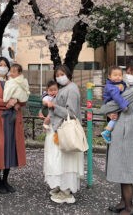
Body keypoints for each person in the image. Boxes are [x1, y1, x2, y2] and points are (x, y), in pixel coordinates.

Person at [100, 62, 133, 215]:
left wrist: (107, 111)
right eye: (128, 72)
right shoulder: (132, 88)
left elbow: (107, 107)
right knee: (123, 170)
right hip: (127, 133)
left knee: (126, 171)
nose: (129, 76)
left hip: (126, 135)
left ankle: (129, 208)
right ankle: (123, 203)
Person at [0, 57, 26, 194]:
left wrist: (19, 103)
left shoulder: (14, 80)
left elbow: (23, 95)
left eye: (5, 65)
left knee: (10, 148)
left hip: (12, 119)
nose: (3, 67)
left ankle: (6, 179)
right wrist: (7, 103)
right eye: (0, 65)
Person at [43, 65, 84, 204]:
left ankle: (66, 190)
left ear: (68, 74)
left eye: (62, 74)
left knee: (65, 160)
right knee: (59, 160)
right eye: (57, 75)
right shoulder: (64, 88)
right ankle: (61, 186)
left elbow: (71, 113)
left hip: (65, 130)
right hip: (58, 129)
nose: (59, 77)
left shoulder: (71, 89)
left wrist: (53, 106)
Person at [101, 66, 129, 143]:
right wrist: (124, 106)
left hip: (113, 104)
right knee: (114, 118)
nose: (118, 77)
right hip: (111, 104)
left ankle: (108, 132)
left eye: (120, 75)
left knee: (115, 118)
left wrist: (123, 86)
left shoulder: (119, 84)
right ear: (109, 76)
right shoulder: (111, 87)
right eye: (115, 75)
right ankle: (107, 132)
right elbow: (117, 97)